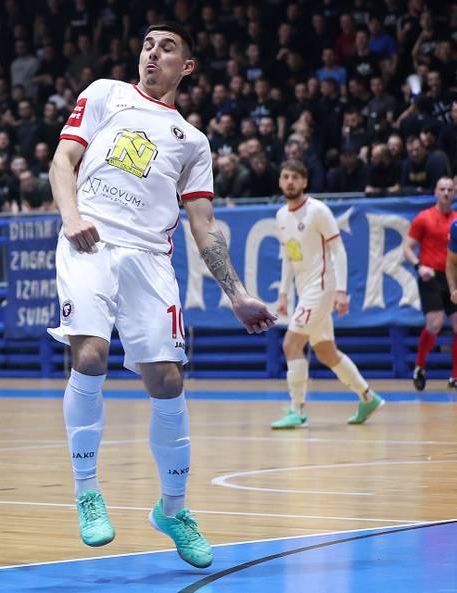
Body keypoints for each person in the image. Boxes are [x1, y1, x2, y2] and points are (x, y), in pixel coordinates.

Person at [47, 22, 275, 569]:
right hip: (90, 242)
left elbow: (204, 225)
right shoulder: (104, 94)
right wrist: (73, 215)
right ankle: (87, 491)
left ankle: (173, 509)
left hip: (150, 259)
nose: (153, 54)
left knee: (167, 380)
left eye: (167, 47)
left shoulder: (193, 142)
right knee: (90, 354)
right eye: (148, 45)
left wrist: (237, 293)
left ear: (187, 67)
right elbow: (62, 163)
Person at [273, 160, 384, 428]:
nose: (290, 181)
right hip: (304, 290)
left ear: (304, 182)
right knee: (325, 351)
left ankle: (297, 409)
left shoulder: (318, 211)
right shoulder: (280, 216)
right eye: (286, 176)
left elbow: (339, 251)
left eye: (295, 177)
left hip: (322, 287)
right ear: (280, 181)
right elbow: (289, 257)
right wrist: (284, 294)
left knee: (291, 345)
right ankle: (368, 397)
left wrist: (342, 292)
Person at [403, 176, 457, 390]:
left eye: (450, 190)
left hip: (452, 276)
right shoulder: (423, 218)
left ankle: (455, 377)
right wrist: (418, 266)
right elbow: (407, 248)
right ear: (435, 192)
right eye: (442, 189)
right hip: (431, 276)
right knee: (434, 324)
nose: (446, 193)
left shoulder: (455, 220)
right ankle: (419, 366)